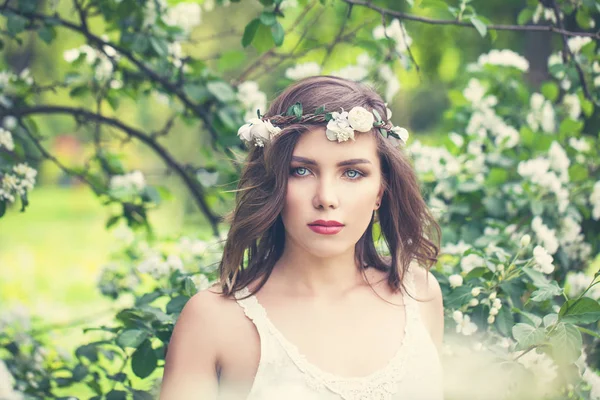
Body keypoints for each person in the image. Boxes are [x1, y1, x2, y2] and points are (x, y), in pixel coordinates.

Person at [159, 75, 444, 400]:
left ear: (380, 190)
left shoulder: (420, 295)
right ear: (273, 182)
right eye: (302, 171)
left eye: (352, 173)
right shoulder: (214, 321)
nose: (326, 198)